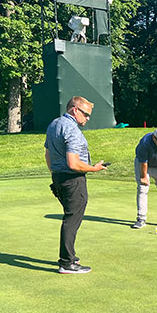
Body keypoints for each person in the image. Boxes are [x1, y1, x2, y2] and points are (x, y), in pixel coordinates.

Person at [44, 96, 108, 274]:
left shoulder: (54, 124)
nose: (88, 118)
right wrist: (94, 168)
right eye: (86, 114)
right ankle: (67, 262)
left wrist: (55, 173)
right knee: (71, 220)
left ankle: (69, 255)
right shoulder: (72, 130)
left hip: (58, 178)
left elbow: (48, 154)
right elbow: (73, 163)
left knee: (69, 217)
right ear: (74, 110)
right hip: (73, 180)